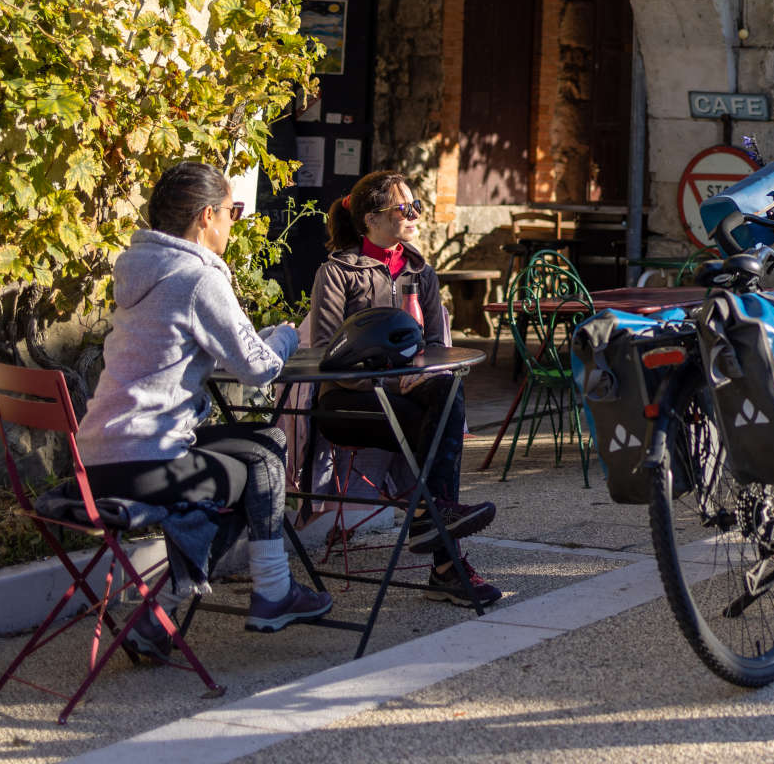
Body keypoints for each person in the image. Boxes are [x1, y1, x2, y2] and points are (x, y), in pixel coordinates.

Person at [76, 161, 333, 638]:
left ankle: (171, 613)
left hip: (97, 457)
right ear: (205, 218)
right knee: (262, 464)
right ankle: (257, 593)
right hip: (146, 461)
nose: (235, 223)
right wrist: (286, 337)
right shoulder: (197, 278)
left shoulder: (143, 269)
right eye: (233, 211)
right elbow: (257, 368)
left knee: (263, 447)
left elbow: (179, 348)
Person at [305, 170, 502, 607]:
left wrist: (426, 371)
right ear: (372, 219)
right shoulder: (338, 273)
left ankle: (435, 532)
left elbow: (436, 345)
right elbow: (325, 353)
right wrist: (389, 380)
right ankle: (439, 543)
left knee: (446, 390)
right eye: (405, 207)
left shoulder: (420, 270)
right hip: (347, 399)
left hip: (407, 394)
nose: (416, 215)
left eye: (416, 206)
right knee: (432, 420)